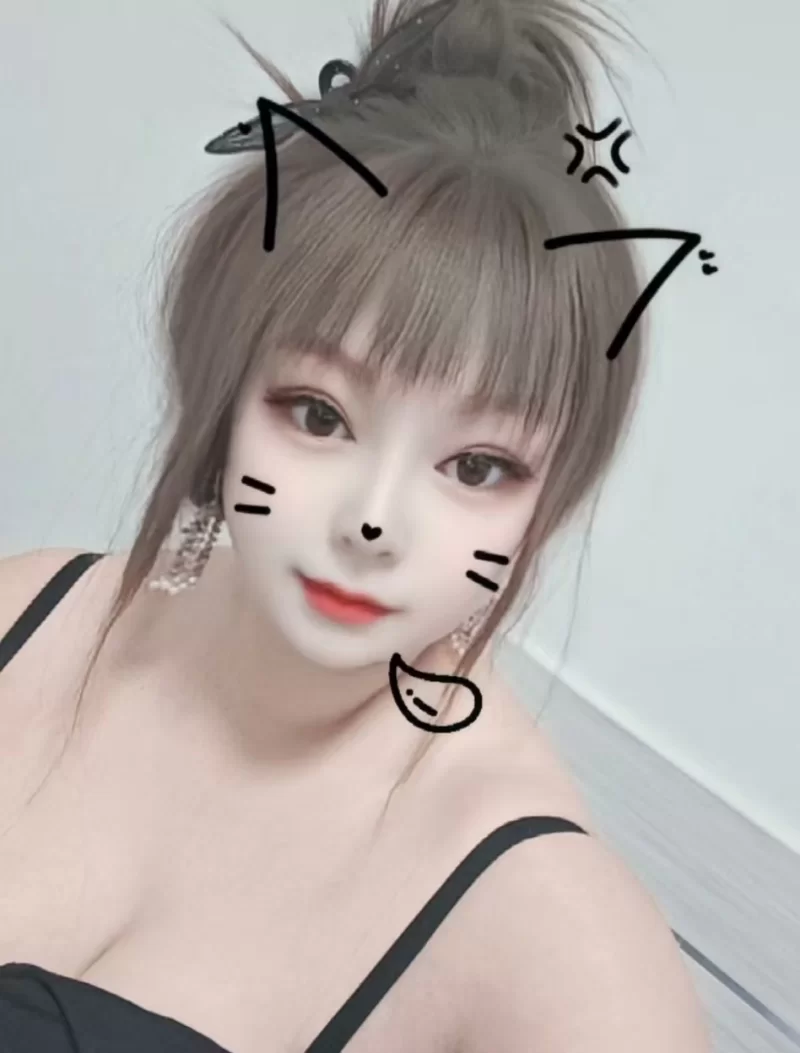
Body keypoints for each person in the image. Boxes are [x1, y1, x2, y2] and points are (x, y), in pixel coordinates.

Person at [0, 0, 712, 1050]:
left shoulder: (557, 941)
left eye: (477, 467)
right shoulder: (27, 617)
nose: (373, 522)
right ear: (220, 386)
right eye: (319, 415)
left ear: (551, 496)